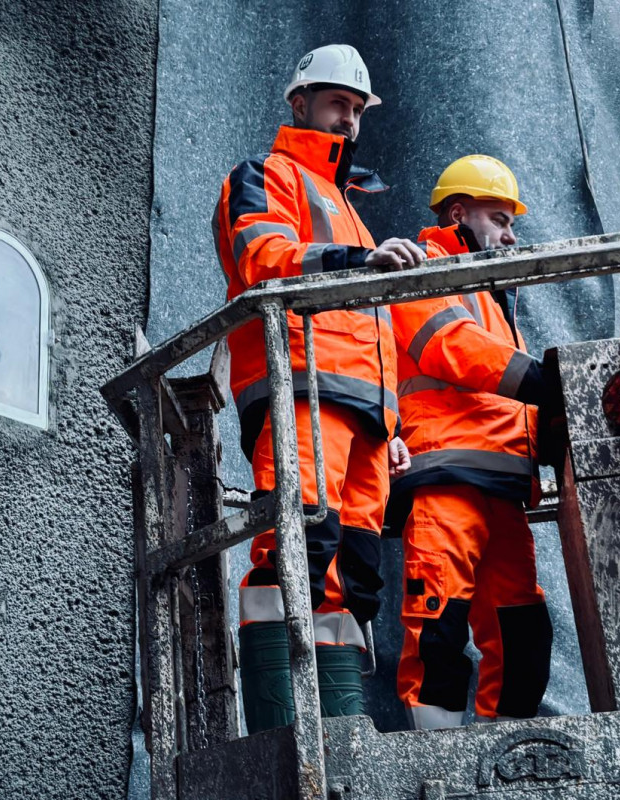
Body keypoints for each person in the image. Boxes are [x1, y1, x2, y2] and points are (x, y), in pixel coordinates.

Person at [213, 44, 423, 731]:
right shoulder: (264, 175)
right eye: (339, 103)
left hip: (361, 416)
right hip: (300, 389)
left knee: (354, 575)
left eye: (358, 110)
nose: (350, 121)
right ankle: (284, 744)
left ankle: (339, 746)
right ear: (298, 102)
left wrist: (390, 429)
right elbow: (260, 258)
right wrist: (358, 259)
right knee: (296, 550)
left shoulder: (349, 205)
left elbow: (376, 333)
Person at [389, 155, 558, 729]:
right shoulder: (420, 271)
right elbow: (454, 348)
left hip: (499, 485)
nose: (510, 236)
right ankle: (435, 773)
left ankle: (503, 766)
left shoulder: (488, 296)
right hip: (446, 478)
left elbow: (502, 388)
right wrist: (545, 381)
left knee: (523, 635)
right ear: (458, 213)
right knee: (437, 629)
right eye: (498, 218)